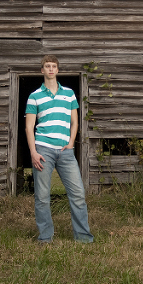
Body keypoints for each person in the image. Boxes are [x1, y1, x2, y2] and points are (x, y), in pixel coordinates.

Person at [25, 55, 94, 243]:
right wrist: (33, 151)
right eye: (47, 66)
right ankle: (45, 237)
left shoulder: (69, 94)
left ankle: (83, 237)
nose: (50, 69)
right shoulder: (34, 96)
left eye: (53, 66)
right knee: (42, 197)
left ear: (57, 70)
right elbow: (29, 127)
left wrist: (71, 142)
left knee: (78, 194)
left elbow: (75, 122)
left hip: (66, 151)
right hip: (43, 149)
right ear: (42, 70)